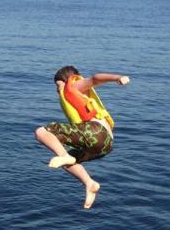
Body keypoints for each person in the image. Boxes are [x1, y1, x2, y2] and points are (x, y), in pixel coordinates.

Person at [35, 65, 130, 209]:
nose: (56, 89)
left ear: (66, 79)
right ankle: (89, 183)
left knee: (41, 132)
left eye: (58, 84)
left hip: (96, 132)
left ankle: (63, 155)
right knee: (67, 163)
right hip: (105, 146)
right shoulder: (72, 92)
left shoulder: (75, 86)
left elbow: (95, 78)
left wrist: (117, 78)